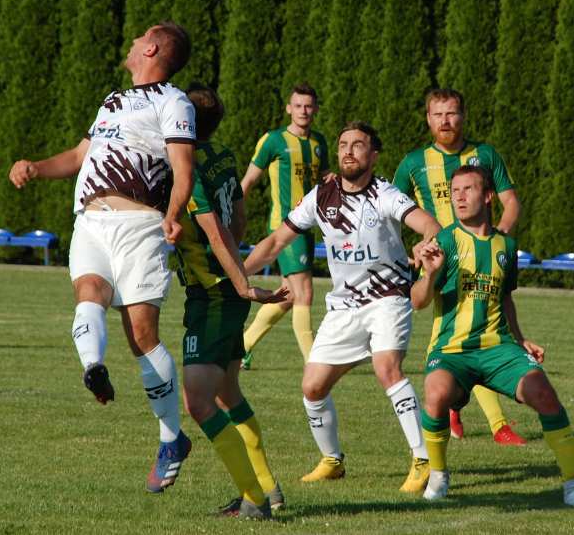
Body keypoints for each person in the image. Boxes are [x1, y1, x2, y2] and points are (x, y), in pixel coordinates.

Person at [8, 22, 195, 493]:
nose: (131, 42)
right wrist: (35, 166)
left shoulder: (174, 102)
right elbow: (77, 155)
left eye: (139, 38)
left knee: (141, 335)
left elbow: (182, 169)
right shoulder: (112, 101)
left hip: (140, 227)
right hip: (91, 221)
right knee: (87, 293)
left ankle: (171, 438)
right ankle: (93, 367)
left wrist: (173, 214)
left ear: (151, 48)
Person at [244, 122, 441, 493]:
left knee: (388, 369)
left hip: (388, 298)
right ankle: (332, 461)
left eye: (358, 145)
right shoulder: (321, 195)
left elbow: (429, 223)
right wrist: (238, 277)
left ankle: (423, 459)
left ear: (374, 155)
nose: (349, 151)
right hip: (344, 307)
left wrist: (424, 243)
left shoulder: (386, 194)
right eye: (343, 145)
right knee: (312, 387)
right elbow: (274, 243)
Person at [411, 165, 574, 508]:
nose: (460, 197)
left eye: (468, 189)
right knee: (436, 393)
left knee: (544, 394)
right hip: (452, 351)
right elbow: (419, 301)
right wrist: (430, 274)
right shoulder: (445, 241)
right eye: (455, 191)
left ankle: (573, 486)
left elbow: (505, 297)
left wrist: (521, 337)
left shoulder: (506, 246)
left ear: (488, 196)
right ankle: (438, 476)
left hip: (500, 349)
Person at [173, 84, 289, 520]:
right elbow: (238, 218)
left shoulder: (188, 165)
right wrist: (237, 271)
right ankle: (267, 488)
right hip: (221, 288)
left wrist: (239, 284)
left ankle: (256, 500)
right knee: (225, 394)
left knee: (198, 401)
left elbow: (215, 230)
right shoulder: (222, 153)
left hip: (216, 295)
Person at [393, 88, 525, 447]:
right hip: (442, 261)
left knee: (480, 328)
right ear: (428, 119)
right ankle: (454, 403)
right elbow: (388, 210)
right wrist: (410, 251)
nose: (445, 121)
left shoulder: (485, 155)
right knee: (460, 332)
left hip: (482, 258)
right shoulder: (413, 163)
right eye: (437, 115)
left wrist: (499, 240)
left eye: (451, 114)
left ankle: (497, 425)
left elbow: (510, 202)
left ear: (463, 116)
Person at [239, 83, 330, 369]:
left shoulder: (319, 143)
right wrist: (231, 214)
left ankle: (241, 347)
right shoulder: (274, 141)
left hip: (308, 225)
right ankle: (313, 362)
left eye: (308, 105)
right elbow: (249, 180)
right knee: (305, 293)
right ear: (289, 108)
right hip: (284, 226)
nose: (303, 110)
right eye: (298, 105)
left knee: (289, 296)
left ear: (315, 109)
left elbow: (326, 179)